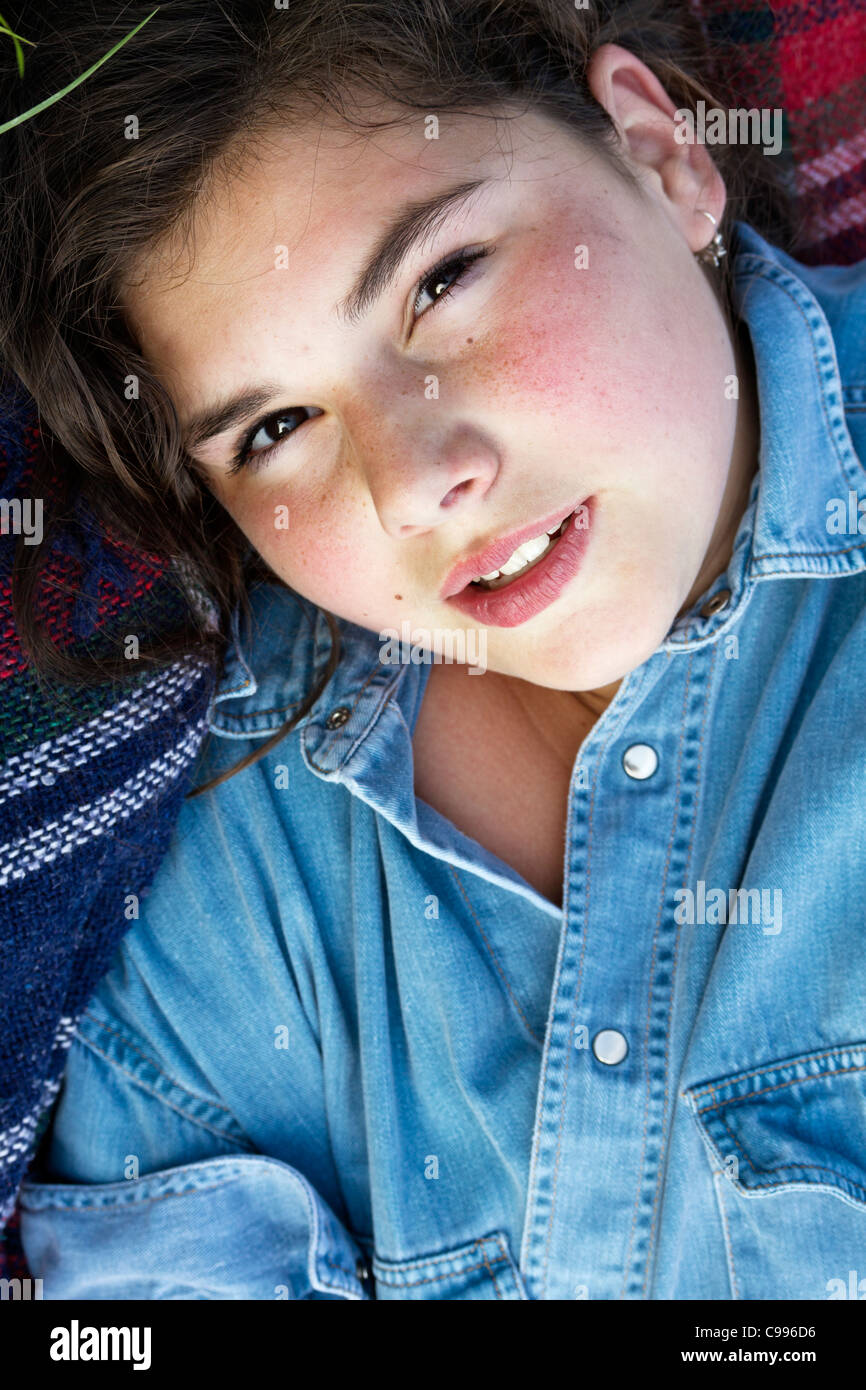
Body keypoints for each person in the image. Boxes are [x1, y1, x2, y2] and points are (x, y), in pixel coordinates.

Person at [5, 0, 866, 1299]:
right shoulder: (219, 863)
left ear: (656, 149)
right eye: (274, 426)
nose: (417, 483)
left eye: (443, 280)